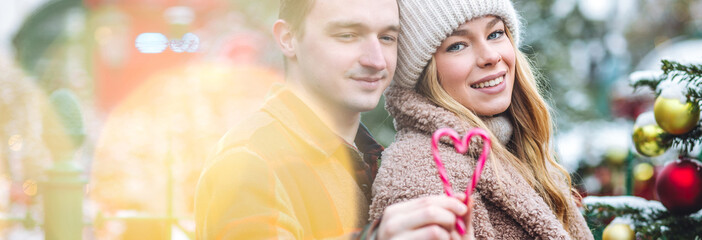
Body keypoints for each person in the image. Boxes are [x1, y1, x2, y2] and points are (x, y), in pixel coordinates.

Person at [194, 0, 473, 239]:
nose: (376, 61)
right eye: (348, 35)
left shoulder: (385, 159)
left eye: (387, 38)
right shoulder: (247, 160)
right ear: (288, 38)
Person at [369, 0, 595, 239]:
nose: (490, 56)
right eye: (457, 46)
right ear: (423, 73)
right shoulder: (422, 177)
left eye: (495, 33)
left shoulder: (515, 147)